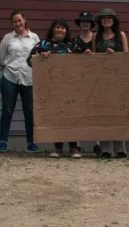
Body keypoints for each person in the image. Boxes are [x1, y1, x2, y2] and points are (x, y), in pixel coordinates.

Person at [27, 19, 83, 159]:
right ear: (53, 29)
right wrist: (41, 56)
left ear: (66, 31)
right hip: (52, 88)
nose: (60, 30)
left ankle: (74, 147)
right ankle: (58, 148)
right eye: (57, 28)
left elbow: (84, 61)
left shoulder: (72, 44)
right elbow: (29, 60)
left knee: (71, 117)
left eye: (63, 28)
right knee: (57, 116)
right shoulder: (43, 44)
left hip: (71, 87)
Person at [0, 10, 40, 153]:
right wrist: (11, 66)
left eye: (19, 20)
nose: (17, 23)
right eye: (14, 21)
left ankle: (31, 142)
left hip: (28, 78)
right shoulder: (8, 38)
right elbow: (1, 59)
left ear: (24, 20)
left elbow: (39, 57)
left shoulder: (34, 38)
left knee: (29, 111)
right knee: (7, 110)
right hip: (10, 77)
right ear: (12, 23)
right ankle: (3, 142)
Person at [90, 8, 129, 159]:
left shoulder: (121, 35)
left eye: (109, 17)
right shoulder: (96, 36)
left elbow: (127, 57)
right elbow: (94, 58)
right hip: (101, 79)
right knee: (104, 113)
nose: (106, 20)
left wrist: (115, 56)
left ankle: (120, 149)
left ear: (114, 20)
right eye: (103, 18)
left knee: (118, 113)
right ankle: (105, 149)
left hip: (118, 78)